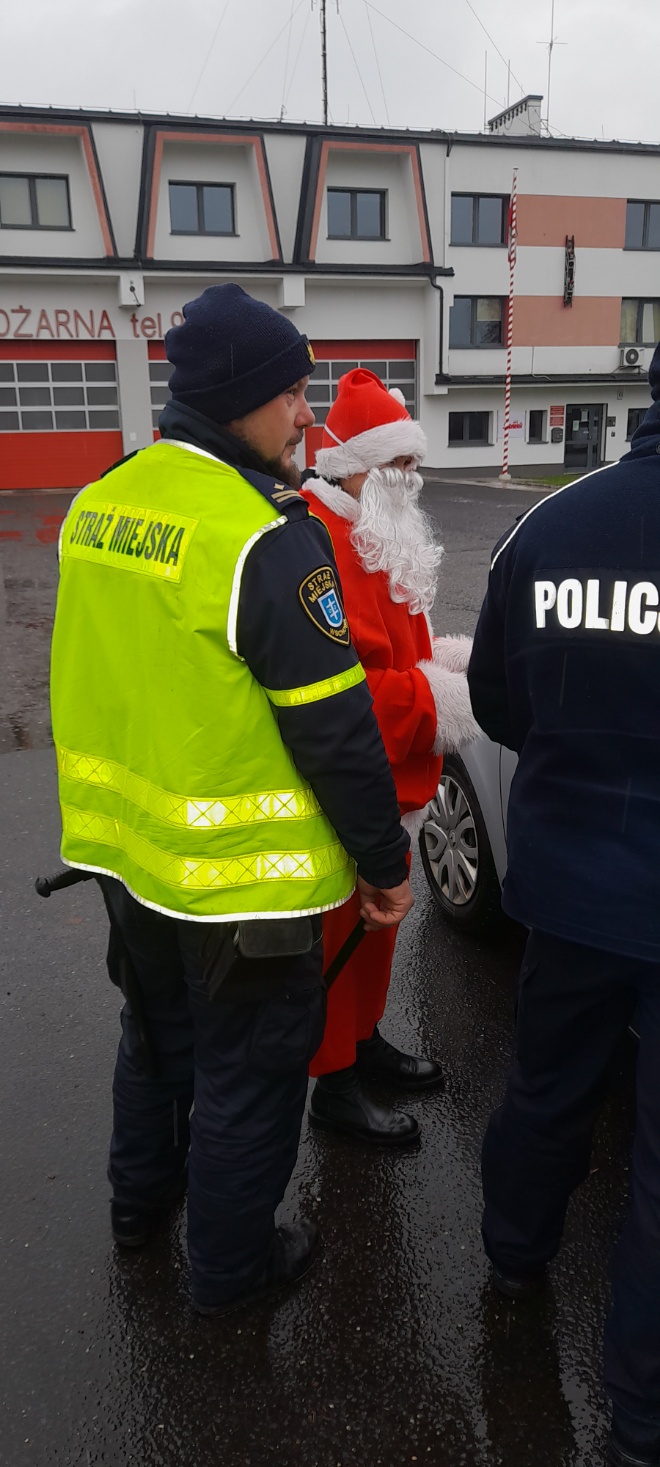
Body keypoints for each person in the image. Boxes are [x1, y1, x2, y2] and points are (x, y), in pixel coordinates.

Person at [49, 285, 414, 1318]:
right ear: (238, 400)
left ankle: (138, 1207)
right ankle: (230, 1272)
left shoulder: (102, 500)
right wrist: (384, 867)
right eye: (291, 392)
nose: (307, 415)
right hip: (240, 889)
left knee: (155, 1039)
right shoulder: (265, 537)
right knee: (248, 1081)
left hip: (126, 857)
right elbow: (338, 732)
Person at [468, 344, 660, 1467]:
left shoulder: (551, 526)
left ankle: (513, 1259)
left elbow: (498, 700)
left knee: (546, 1090)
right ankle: (639, 1422)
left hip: (571, 884)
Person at [302, 368, 478, 1144]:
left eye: (414, 462)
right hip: (346, 789)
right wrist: (447, 700)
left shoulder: (373, 528)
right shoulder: (322, 540)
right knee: (340, 941)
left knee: (375, 937)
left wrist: (452, 662)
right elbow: (352, 693)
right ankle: (333, 1085)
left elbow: (401, 646)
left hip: (390, 786)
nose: (412, 478)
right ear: (357, 465)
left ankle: (362, 1040)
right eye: (398, 463)